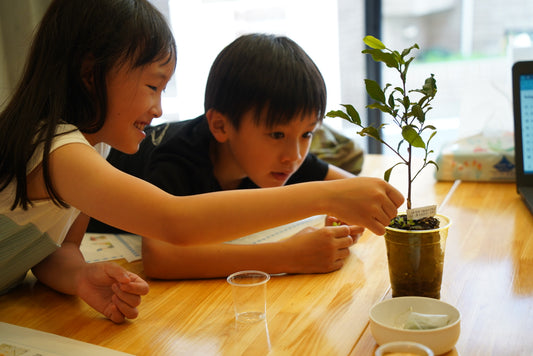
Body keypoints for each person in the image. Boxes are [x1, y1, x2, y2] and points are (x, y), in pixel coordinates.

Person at [0, 0, 404, 324]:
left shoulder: (92, 146)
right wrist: (326, 197)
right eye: (153, 85)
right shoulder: (58, 151)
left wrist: (79, 276)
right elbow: (173, 220)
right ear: (91, 74)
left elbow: (58, 249)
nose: (159, 109)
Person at [88, 33, 366, 279]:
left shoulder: (276, 158)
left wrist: (344, 216)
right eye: (277, 135)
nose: (294, 157)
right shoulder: (178, 157)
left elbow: (351, 191)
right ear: (221, 126)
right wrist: (289, 256)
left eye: (307, 134)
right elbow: (160, 258)